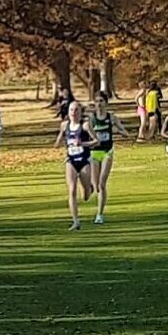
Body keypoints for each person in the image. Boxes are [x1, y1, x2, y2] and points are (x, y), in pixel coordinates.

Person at [54, 101, 98, 231]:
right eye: (71, 110)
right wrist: (58, 143)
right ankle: (75, 221)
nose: (74, 113)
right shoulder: (64, 125)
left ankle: (88, 187)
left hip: (84, 160)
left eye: (76, 110)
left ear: (80, 112)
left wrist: (82, 144)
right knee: (71, 190)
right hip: (71, 160)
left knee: (86, 195)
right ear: (68, 112)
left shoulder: (85, 126)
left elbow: (96, 141)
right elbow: (59, 140)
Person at [89, 92, 129, 223]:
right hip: (95, 153)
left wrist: (119, 131)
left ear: (106, 102)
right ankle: (98, 205)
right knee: (96, 186)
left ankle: (99, 215)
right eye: (96, 101)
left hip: (107, 152)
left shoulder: (111, 118)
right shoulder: (91, 118)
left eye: (101, 101)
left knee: (101, 183)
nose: (99, 104)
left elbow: (126, 133)